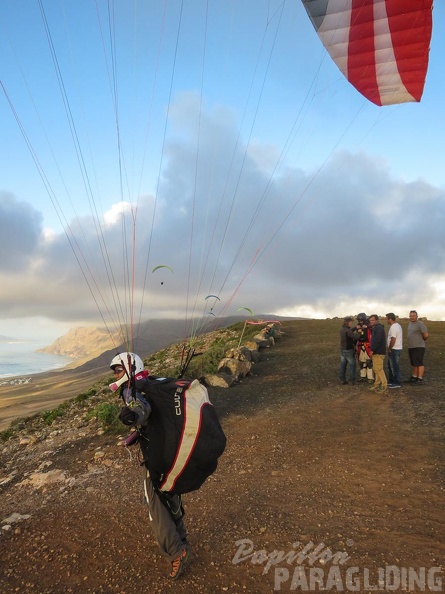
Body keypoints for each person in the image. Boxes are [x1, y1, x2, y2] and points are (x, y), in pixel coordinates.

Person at [109, 353, 191, 581]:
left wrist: (132, 416)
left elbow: (141, 408)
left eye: (117, 370)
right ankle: (181, 540)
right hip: (172, 452)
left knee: (156, 506)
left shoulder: (132, 390)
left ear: (128, 369)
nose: (115, 375)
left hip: (156, 457)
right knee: (170, 496)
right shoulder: (152, 383)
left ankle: (176, 552)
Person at [407, 310, 429, 384]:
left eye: (413, 315)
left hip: (419, 346)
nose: (412, 317)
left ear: (417, 316)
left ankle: (420, 378)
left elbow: (426, 335)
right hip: (411, 347)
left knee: (419, 362)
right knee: (414, 362)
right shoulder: (410, 324)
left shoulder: (420, 324)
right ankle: (414, 376)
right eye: (411, 316)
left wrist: (421, 341)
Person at [369, 314, 387, 391]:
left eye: (373, 320)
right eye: (370, 320)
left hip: (378, 352)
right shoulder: (376, 328)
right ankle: (376, 384)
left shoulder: (378, 328)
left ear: (377, 320)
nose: (371, 322)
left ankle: (384, 386)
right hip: (377, 352)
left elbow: (377, 341)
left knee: (379, 369)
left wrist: (372, 350)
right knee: (376, 369)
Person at [339, 316, 360, 384]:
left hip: (343, 350)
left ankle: (342, 380)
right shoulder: (348, 331)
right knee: (352, 365)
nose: (351, 323)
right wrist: (359, 332)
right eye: (351, 322)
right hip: (349, 350)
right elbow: (356, 337)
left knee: (343, 365)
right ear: (348, 322)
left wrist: (355, 328)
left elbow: (349, 332)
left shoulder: (342, 329)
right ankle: (351, 380)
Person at [355, 313, 374, 382]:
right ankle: (363, 376)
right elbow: (356, 336)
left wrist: (367, 327)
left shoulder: (369, 325)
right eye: (359, 320)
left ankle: (370, 377)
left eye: (361, 320)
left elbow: (372, 330)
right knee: (362, 362)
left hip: (368, 346)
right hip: (360, 345)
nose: (360, 322)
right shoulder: (358, 326)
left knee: (369, 362)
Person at [386, 313, 403, 388]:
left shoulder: (393, 327)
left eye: (387, 319)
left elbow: (393, 339)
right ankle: (392, 380)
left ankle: (397, 382)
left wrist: (389, 348)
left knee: (394, 365)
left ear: (390, 319)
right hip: (396, 348)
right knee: (391, 365)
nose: (386, 320)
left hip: (394, 349)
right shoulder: (397, 326)